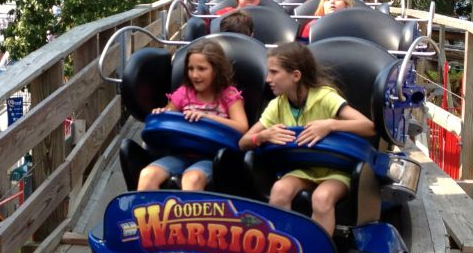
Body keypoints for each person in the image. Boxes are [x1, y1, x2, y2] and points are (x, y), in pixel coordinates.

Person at [239, 42, 374, 235]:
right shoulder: (277, 105)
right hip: (302, 169)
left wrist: (330, 124)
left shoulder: (325, 97)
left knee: (322, 197)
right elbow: (243, 142)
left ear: (295, 75)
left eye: (274, 72)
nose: (268, 79)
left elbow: (368, 127)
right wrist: (262, 136)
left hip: (336, 171)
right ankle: (281, 248)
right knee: (279, 190)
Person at [138, 40, 248, 191]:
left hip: (212, 158)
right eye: (190, 69)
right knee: (147, 174)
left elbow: (242, 127)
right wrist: (161, 114)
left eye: (202, 69)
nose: (195, 75)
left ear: (216, 70)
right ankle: (149, 213)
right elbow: (168, 115)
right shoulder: (184, 93)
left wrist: (206, 118)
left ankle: (191, 215)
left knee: (192, 179)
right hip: (181, 154)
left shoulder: (228, 95)